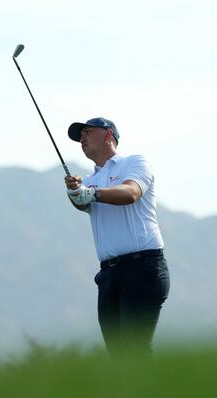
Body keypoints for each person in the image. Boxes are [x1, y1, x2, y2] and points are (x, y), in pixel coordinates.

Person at [64, 117, 170, 358]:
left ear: (108, 135)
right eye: (80, 135)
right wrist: (76, 191)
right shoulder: (89, 181)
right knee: (119, 356)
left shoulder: (134, 163)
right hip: (109, 275)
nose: (82, 138)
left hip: (143, 267)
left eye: (88, 132)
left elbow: (130, 193)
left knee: (134, 349)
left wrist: (90, 193)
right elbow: (82, 203)